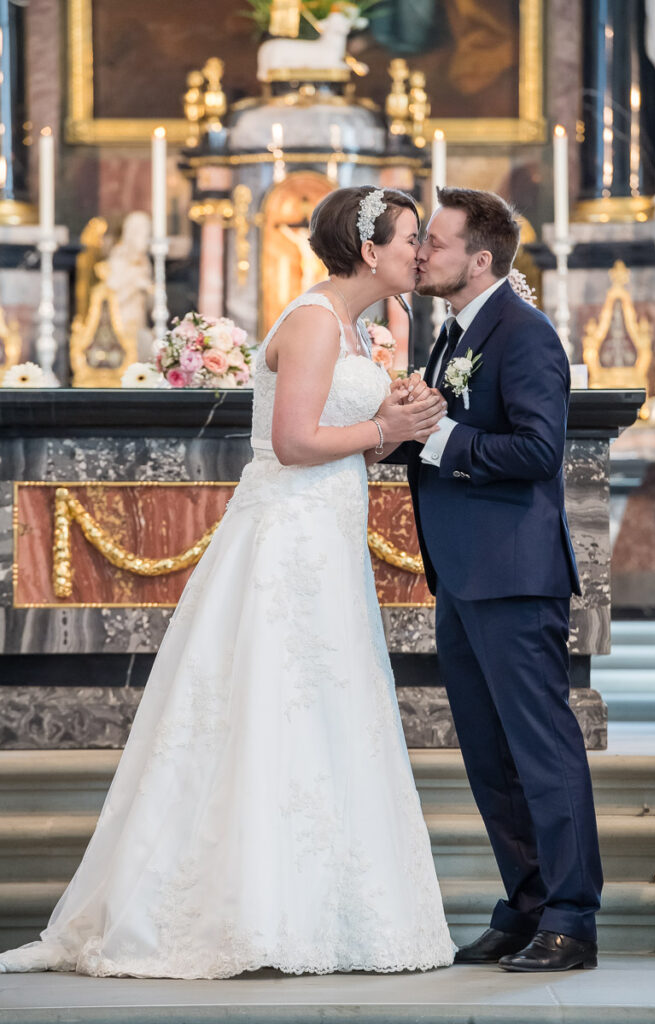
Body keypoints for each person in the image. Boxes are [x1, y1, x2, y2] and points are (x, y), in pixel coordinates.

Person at [0, 186, 454, 979]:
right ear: (368, 250)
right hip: (285, 540)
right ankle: (234, 908)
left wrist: (397, 424)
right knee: (268, 702)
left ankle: (319, 905)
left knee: (325, 704)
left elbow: (344, 444)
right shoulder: (314, 320)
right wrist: (385, 427)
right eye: (411, 237)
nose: (421, 252)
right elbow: (292, 441)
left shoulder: (358, 326)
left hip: (328, 533)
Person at [405, 187, 603, 972]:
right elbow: (436, 436)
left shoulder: (523, 334)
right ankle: (524, 905)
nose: (420, 252)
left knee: (539, 750)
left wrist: (438, 436)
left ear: (477, 258)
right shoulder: (452, 331)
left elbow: (534, 453)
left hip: (514, 575)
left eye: (435, 241)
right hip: (462, 573)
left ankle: (571, 918)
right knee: (490, 757)